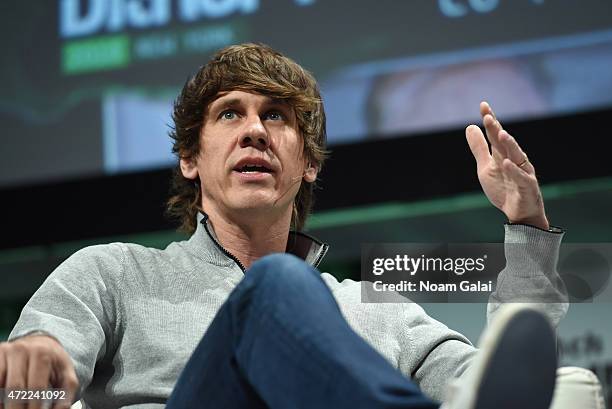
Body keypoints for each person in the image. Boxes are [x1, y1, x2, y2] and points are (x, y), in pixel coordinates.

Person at [1, 43, 566, 408]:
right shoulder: (113, 273)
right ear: (190, 160)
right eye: (230, 113)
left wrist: (527, 224)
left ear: (308, 161)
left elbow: (492, 385)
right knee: (274, 285)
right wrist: (36, 371)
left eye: (276, 116)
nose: (254, 132)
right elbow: (32, 384)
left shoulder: (378, 312)